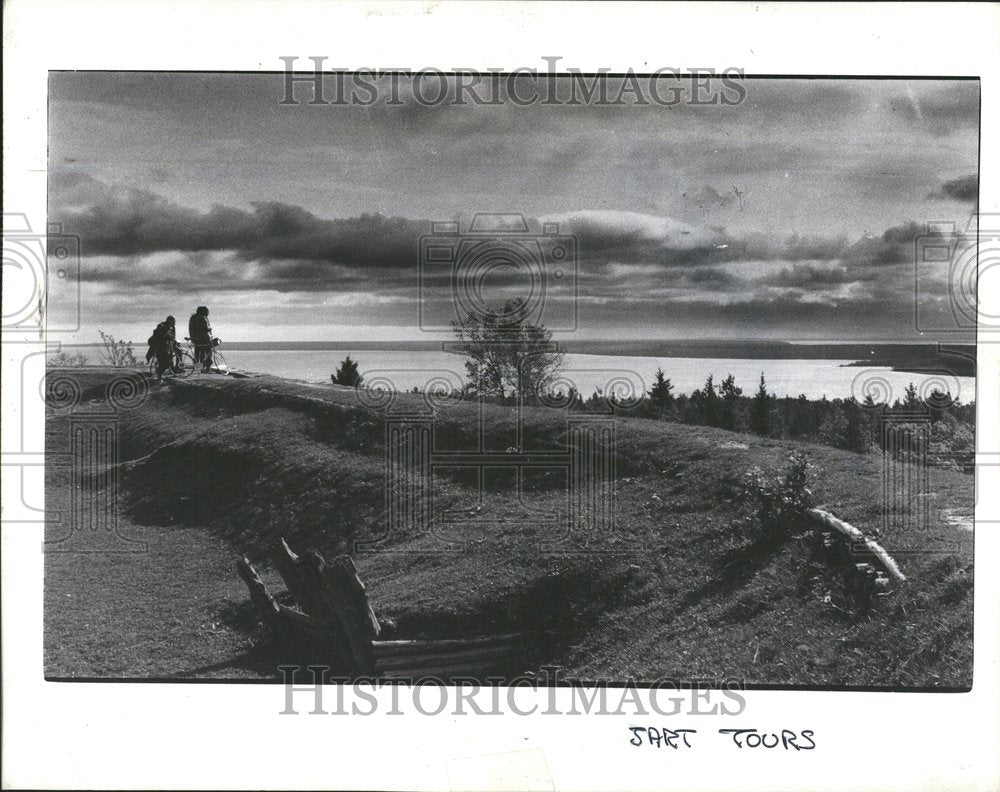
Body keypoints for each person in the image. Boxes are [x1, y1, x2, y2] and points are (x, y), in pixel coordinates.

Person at [149, 315, 179, 382]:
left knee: (166, 364)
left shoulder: (171, 327)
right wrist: (168, 335)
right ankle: (159, 378)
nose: (175, 323)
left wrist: (174, 341)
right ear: (170, 321)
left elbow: (172, 337)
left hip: (167, 347)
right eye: (174, 321)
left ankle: (160, 375)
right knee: (162, 363)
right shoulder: (162, 326)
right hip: (160, 347)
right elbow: (162, 335)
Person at [189, 305, 214, 373]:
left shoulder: (193, 318)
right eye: (207, 312)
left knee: (198, 354)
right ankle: (207, 369)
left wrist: (193, 338)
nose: (208, 313)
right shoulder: (203, 318)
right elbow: (205, 328)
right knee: (208, 353)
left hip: (196, 339)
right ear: (204, 312)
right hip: (204, 339)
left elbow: (192, 329)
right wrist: (210, 328)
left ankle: (199, 368)